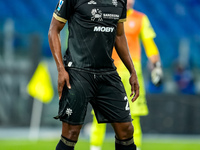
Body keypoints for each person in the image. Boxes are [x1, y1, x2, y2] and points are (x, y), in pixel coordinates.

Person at [48, 0, 140, 150]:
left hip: (108, 73)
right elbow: (53, 30)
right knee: (71, 133)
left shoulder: (120, 1)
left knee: (126, 130)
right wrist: (60, 69)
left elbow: (119, 35)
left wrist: (132, 71)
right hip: (78, 72)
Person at [90, 0, 163, 150]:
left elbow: (149, 44)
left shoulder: (140, 18)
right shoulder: (105, 15)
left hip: (132, 72)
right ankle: (95, 147)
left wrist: (156, 65)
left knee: (133, 115)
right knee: (100, 113)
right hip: (108, 69)